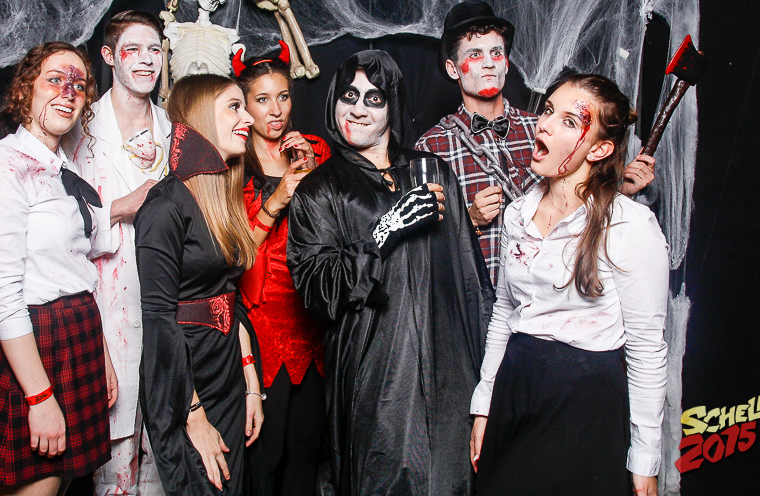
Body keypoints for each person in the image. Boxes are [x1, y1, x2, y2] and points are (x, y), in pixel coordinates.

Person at [287, 50, 494, 496]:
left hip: (449, 369)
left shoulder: (432, 170)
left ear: (392, 106)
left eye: (374, 98)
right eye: (348, 95)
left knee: (451, 479)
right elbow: (318, 292)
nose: (358, 108)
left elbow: (470, 279)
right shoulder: (319, 190)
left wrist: (488, 379)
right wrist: (384, 231)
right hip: (377, 374)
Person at [469, 74, 669, 496]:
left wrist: (645, 461)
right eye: (547, 111)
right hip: (515, 384)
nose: (543, 124)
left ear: (598, 149)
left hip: (584, 402)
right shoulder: (517, 214)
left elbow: (647, 350)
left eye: (568, 121)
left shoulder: (630, 226)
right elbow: (504, 313)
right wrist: (484, 405)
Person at [0, 42, 114, 495]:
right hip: (31, 345)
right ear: (25, 90)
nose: (68, 92)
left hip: (78, 336)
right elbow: (1, 294)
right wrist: (39, 398)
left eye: (79, 85)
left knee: (64, 483)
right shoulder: (2, 168)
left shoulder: (63, 167)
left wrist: (103, 355)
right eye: (55, 80)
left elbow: (77, 267)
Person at [416, 1, 656, 289]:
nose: (489, 62)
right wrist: (471, 220)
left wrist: (620, 192)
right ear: (453, 68)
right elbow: (420, 254)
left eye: (496, 53)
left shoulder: (545, 128)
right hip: (477, 299)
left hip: (553, 293)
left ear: (506, 63)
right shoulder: (432, 147)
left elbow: (579, 214)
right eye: (475, 54)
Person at [135, 74, 264, 495]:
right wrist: (193, 415)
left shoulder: (220, 198)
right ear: (200, 117)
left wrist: (250, 382)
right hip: (185, 386)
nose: (249, 117)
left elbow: (229, 297)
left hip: (226, 374)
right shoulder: (163, 207)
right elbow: (159, 322)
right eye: (234, 107)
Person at [66, 10, 169, 496]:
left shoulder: (172, 127)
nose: (147, 60)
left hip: (164, 306)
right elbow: (53, 232)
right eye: (134, 50)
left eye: (155, 50)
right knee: (114, 459)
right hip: (105, 312)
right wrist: (119, 208)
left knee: (164, 450)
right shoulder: (78, 129)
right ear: (109, 56)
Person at [235, 43, 331, 496]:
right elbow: (234, 254)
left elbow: (338, 227)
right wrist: (278, 198)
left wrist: (314, 174)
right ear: (244, 105)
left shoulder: (315, 151)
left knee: (307, 448)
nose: (276, 110)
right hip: (260, 323)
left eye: (284, 97)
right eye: (262, 99)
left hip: (309, 317)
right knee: (265, 452)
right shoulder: (233, 164)